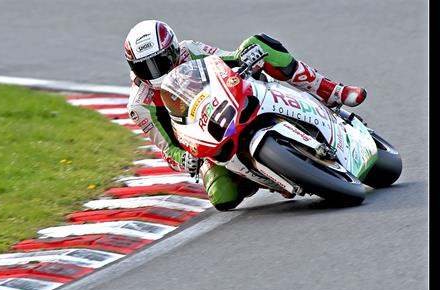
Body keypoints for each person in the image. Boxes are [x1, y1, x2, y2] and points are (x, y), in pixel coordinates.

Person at [124, 20, 367, 211]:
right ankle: (263, 173)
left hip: (230, 101)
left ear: (174, 49)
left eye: (162, 61)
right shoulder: (140, 105)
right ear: (134, 68)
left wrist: (245, 57)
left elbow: (227, 60)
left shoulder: (190, 50)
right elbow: (168, 147)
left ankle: (332, 91)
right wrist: (184, 160)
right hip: (204, 141)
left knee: (259, 44)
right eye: (147, 67)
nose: (157, 73)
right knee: (223, 198)